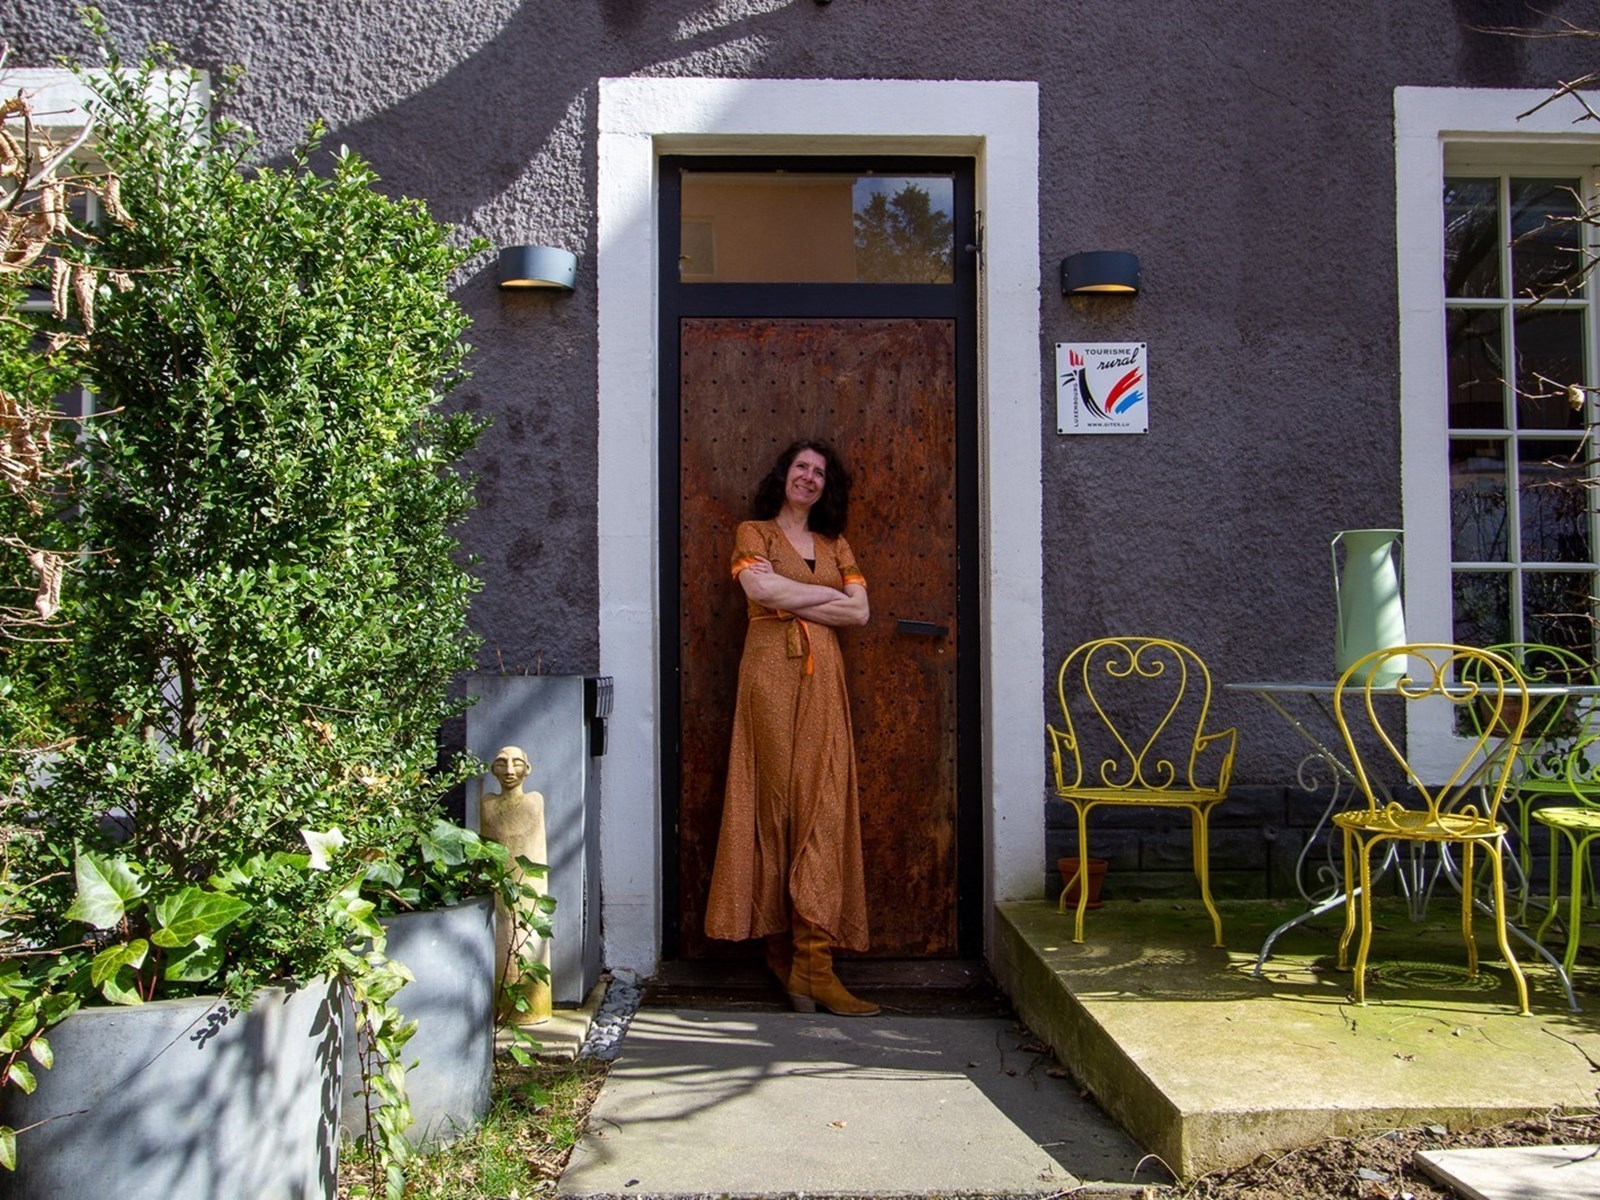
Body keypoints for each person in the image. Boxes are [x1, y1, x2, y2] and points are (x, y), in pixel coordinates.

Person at [704, 439, 878, 1016]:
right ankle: (785, 959)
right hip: (768, 680)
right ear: (784, 475)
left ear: (827, 485)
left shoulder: (835, 543)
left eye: (820, 472)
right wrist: (827, 594)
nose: (809, 477)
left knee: (820, 802)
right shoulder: (753, 533)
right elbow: (758, 588)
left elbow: (860, 613)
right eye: (801, 467)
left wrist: (795, 596)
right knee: (774, 803)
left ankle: (815, 967)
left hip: (823, 679)